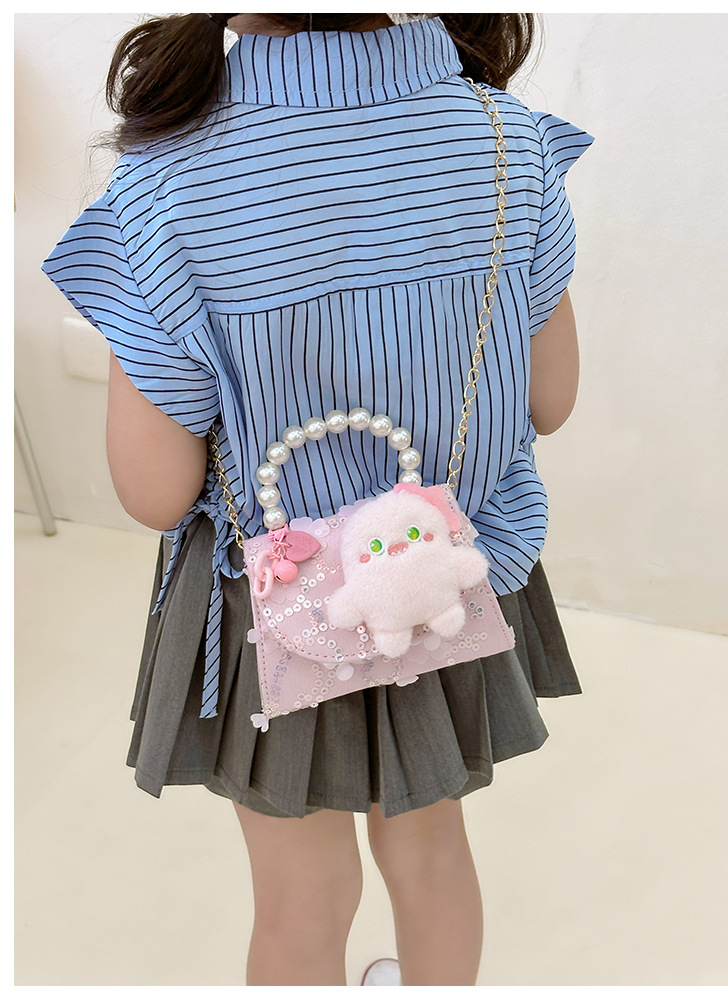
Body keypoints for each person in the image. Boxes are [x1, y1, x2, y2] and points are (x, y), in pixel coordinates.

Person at [42, 12, 592, 987]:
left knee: (301, 898)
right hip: (449, 583)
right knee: (432, 855)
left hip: (282, 613)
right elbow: (553, 398)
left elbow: (156, 491)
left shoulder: (162, 183)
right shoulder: (506, 140)